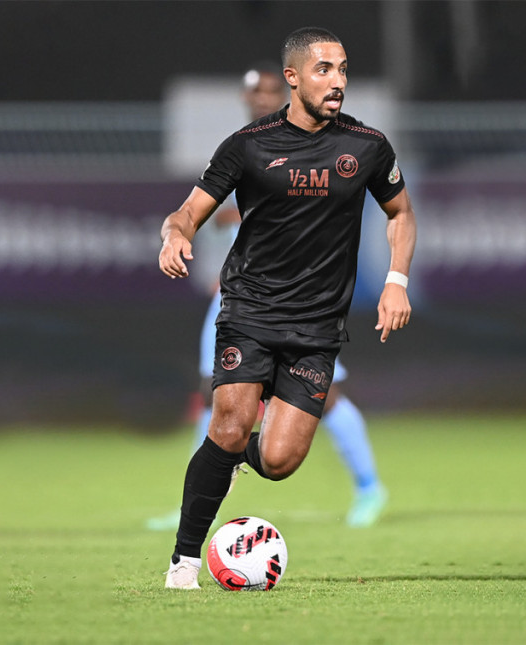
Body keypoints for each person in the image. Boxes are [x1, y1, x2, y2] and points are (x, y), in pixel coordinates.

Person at [158, 26, 417, 590]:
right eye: (324, 69)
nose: (337, 80)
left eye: (343, 69)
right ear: (293, 78)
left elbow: (401, 214)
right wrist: (175, 236)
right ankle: (183, 562)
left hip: (317, 326)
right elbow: (187, 213)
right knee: (229, 424)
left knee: (278, 462)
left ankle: (225, 461)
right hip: (249, 311)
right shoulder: (248, 145)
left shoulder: (367, 147)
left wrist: (396, 281)